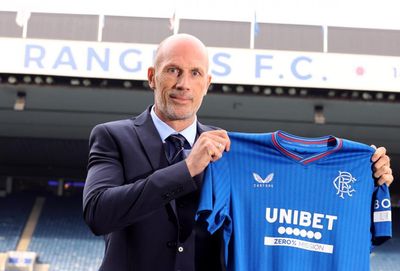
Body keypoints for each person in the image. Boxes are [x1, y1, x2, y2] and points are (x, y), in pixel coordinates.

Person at [82, 33, 394, 271]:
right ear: (152, 76)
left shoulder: (229, 151)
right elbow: (98, 213)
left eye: (194, 73)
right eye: (173, 70)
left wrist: (369, 177)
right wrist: (187, 169)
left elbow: (294, 198)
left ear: (208, 83)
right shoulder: (113, 136)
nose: (183, 84)